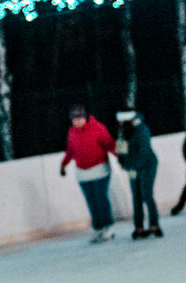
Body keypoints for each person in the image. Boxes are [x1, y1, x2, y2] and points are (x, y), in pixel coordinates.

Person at [60, 104, 117, 243]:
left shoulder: (98, 128)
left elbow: (110, 144)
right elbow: (70, 151)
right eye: (74, 119)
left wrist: (121, 157)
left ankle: (108, 227)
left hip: (100, 170)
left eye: (80, 118)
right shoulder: (72, 133)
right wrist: (63, 164)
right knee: (91, 202)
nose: (77, 121)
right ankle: (98, 228)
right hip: (83, 174)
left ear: (85, 117)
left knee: (101, 199)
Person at [115, 109, 163, 239]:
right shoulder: (122, 131)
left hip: (147, 166)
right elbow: (121, 150)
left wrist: (132, 166)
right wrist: (124, 164)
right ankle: (139, 226)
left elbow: (143, 151)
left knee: (146, 194)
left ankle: (154, 224)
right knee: (136, 196)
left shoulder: (141, 129)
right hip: (133, 168)